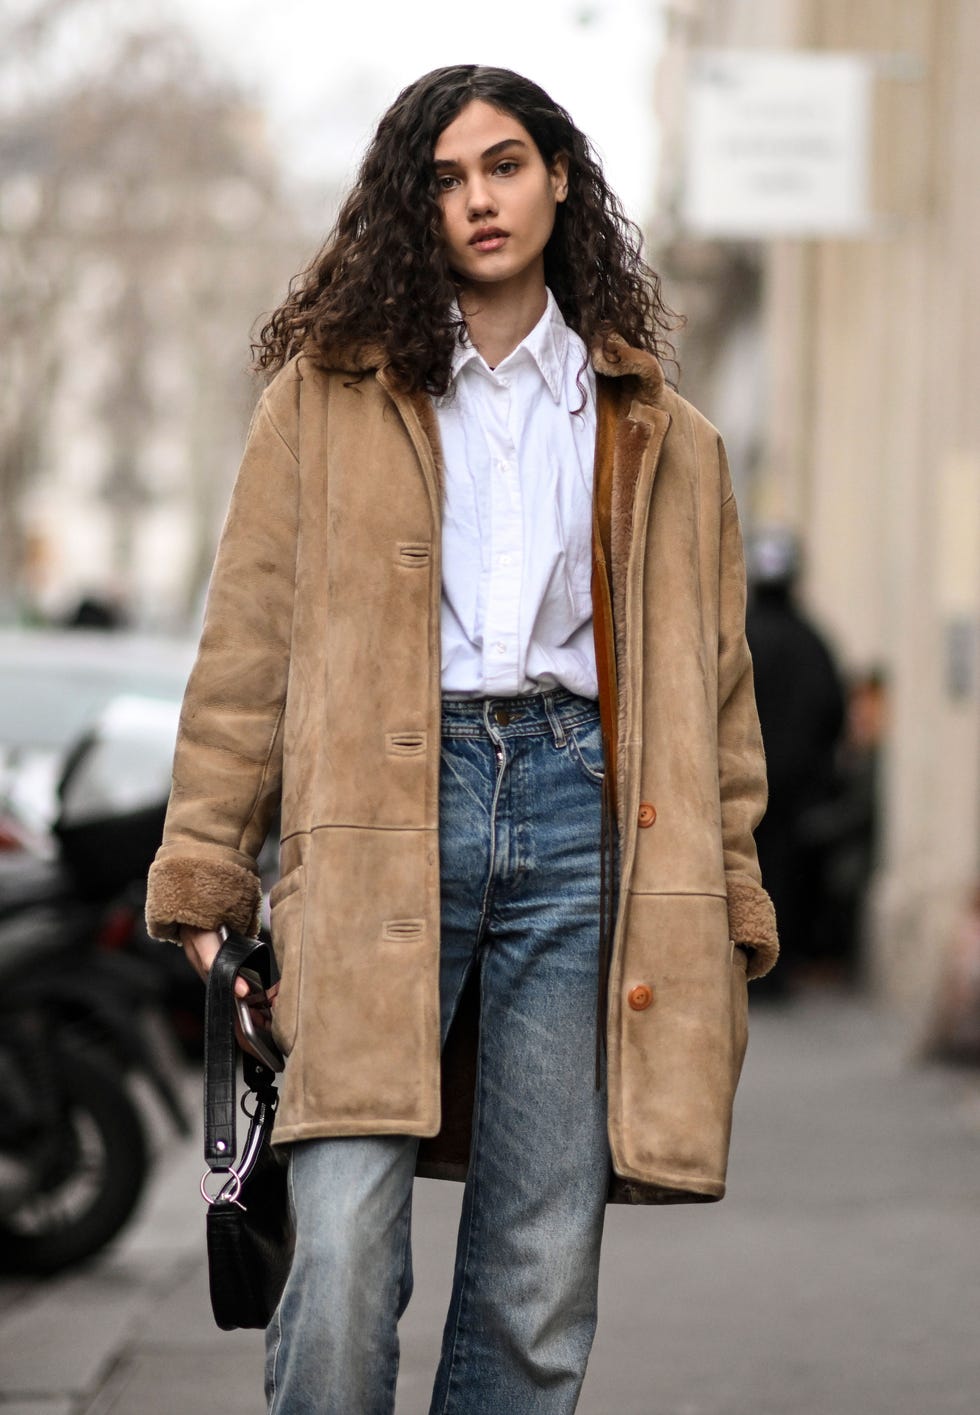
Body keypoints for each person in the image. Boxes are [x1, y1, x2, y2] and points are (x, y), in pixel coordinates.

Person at [146, 64, 778, 1415]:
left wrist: (728, 901)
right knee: (342, 1256)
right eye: (443, 178)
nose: (477, 199)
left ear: (559, 177)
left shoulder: (664, 436)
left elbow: (717, 702)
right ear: (409, 207)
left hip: (577, 822)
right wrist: (206, 874)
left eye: (502, 164)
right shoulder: (324, 401)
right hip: (379, 823)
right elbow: (246, 650)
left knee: (538, 1279)